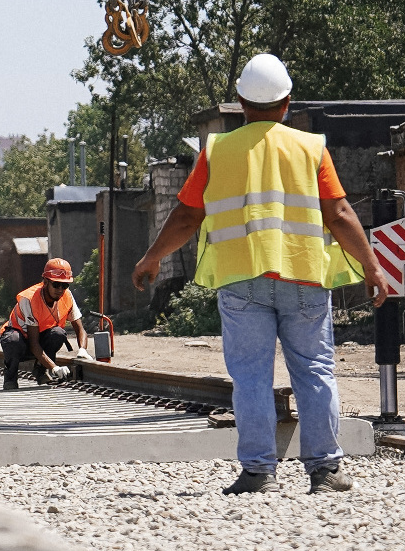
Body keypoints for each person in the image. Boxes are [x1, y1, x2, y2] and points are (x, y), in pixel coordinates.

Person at [128, 53, 389, 496]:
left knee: (250, 375)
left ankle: (258, 472)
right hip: (305, 276)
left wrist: (151, 257)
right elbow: (340, 213)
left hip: (241, 278)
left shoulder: (218, 151)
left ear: (241, 103)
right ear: (287, 102)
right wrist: (372, 265)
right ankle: (325, 470)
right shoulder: (311, 149)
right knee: (315, 369)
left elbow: (187, 217)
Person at [0, 259, 88, 389]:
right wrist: (55, 368)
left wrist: (83, 349)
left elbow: (80, 329)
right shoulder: (29, 299)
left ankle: (41, 371)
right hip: (21, 341)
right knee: (13, 340)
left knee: (58, 333)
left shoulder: (67, 296)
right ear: (45, 282)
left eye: (65, 285)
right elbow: (33, 344)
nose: (60, 289)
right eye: (56, 284)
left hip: (39, 340)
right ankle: (10, 377)